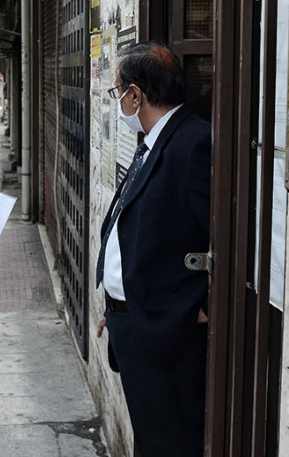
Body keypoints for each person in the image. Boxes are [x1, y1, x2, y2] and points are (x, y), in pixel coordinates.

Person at [95, 42, 211, 456]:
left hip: (167, 334)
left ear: (135, 95)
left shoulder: (194, 142)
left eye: (118, 92)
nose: (119, 102)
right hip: (135, 322)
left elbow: (226, 237)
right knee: (151, 436)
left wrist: (200, 307)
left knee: (170, 444)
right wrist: (119, 304)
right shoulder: (153, 140)